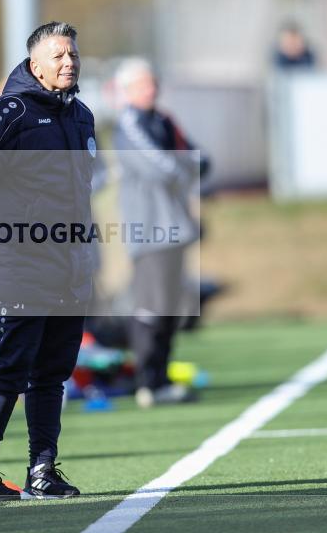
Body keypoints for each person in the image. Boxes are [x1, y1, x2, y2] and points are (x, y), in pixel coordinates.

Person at [0, 21, 96, 501]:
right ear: (35, 65)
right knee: (10, 367)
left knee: (53, 371)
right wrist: (3, 235)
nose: (68, 62)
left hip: (70, 264)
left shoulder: (82, 116)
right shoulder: (9, 112)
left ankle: (42, 469)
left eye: (72, 54)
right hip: (19, 263)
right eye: (58, 56)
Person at [113, 58, 202, 408]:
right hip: (149, 230)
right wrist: (183, 166)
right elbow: (158, 167)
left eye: (153, 82)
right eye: (144, 84)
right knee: (149, 307)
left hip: (175, 228)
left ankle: (161, 378)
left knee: (169, 307)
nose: (152, 89)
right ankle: (147, 382)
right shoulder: (129, 123)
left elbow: (199, 159)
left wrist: (185, 165)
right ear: (129, 90)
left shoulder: (165, 121)